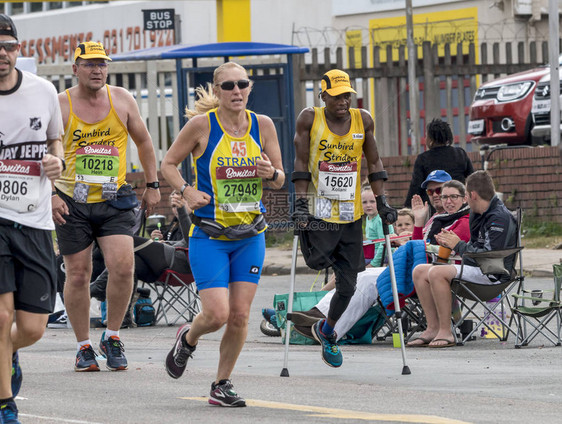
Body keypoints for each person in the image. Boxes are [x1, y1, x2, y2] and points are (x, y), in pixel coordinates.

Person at [160, 61, 285, 407]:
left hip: (250, 235)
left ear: (249, 88)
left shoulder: (263, 125)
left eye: (242, 84)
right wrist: (186, 190)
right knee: (217, 314)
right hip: (210, 235)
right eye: (228, 85)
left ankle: (221, 383)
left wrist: (270, 171)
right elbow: (167, 164)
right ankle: (188, 338)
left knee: (240, 315)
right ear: (216, 92)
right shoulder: (201, 126)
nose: (236, 91)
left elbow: (280, 179)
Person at [51, 41, 160, 372]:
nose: (97, 69)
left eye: (102, 64)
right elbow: (46, 151)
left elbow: (143, 141)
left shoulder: (122, 99)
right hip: (72, 201)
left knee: (124, 266)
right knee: (79, 273)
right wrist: (51, 194)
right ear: (75, 68)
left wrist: (153, 185)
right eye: (89, 64)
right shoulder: (61, 104)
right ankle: (83, 346)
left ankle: (112, 336)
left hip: (114, 198)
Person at [291, 69, 396, 367]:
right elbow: (299, 162)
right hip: (319, 209)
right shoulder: (309, 119)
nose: (343, 100)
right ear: (323, 96)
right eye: (337, 96)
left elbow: (374, 162)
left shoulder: (363, 119)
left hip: (350, 212)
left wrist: (382, 201)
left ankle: (328, 331)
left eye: (347, 94)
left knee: (349, 286)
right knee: (316, 263)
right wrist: (300, 204)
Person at [293, 177, 471, 344]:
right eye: (442, 195)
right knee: (360, 275)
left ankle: (331, 329)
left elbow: (434, 250)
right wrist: (419, 221)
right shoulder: (437, 219)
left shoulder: (463, 221)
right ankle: (320, 315)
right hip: (418, 267)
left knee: (369, 280)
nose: (447, 200)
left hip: (436, 271)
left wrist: (415, 244)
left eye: (453, 197)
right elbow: (418, 245)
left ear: (464, 199)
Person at [0, 14, 64, 423]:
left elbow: (55, 140)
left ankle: (8, 352)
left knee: (33, 327)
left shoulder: (43, 91)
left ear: (19, 50)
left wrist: (56, 161)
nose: (2, 55)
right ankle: (5, 403)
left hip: (36, 220)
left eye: (8, 47)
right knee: (2, 315)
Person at [409, 170, 517, 348]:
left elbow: (487, 256)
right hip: (477, 268)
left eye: (465, 194)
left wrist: (457, 244)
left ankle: (447, 332)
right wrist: (454, 245)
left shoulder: (499, 217)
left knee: (437, 272)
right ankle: (432, 328)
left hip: (493, 274)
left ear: (472, 195)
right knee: (419, 270)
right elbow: (475, 248)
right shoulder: (477, 213)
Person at [404, 118, 474, 208]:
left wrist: (407, 209)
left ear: (431, 139)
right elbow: (471, 180)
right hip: (459, 206)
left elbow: (415, 188)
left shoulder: (423, 159)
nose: (425, 139)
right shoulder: (460, 154)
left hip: (435, 209)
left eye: (426, 136)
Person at [363, 187, 394, 267]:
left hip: (384, 253)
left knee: (348, 262)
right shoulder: (369, 217)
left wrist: (373, 264)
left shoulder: (380, 219)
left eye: (372, 201)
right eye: (364, 202)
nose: (368, 205)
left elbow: (384, 244)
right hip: (373, 252)